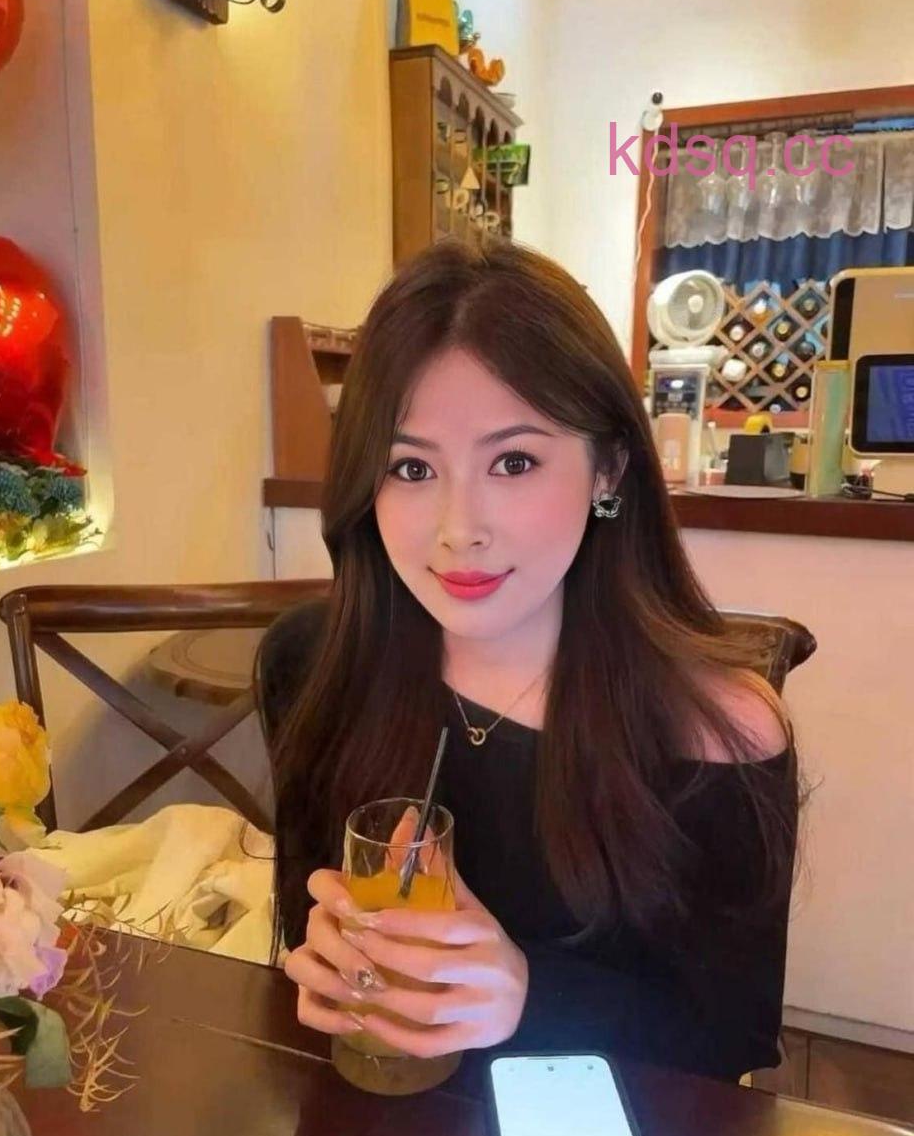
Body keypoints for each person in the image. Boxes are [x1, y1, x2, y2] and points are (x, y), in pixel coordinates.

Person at [259, 239, 801, 1083]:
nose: (458, 530)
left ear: (607, 469)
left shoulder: (718, 732)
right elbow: (304, 923)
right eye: (411, 467)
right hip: (374, 1119)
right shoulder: (315, 661)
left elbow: (732, 1039)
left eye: (513, 462)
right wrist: (327, 949)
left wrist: (527, 993)